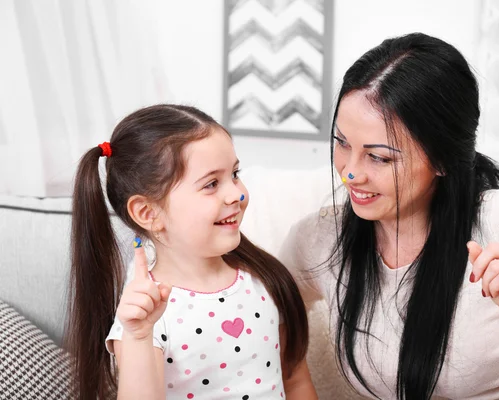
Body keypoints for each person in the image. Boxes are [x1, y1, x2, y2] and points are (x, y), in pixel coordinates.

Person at [279, 33, 499, 399]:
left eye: (379, 157)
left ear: (443, 160)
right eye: (341, 143)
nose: (350, 173)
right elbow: (268, 308)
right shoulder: (323, 239)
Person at [66, 104, 317, 400]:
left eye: (235, 174)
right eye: (211, 184)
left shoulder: (264, 280)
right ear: (148, 213)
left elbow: (296, 382)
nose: (235, 193)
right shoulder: (142, 318)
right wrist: (138, 337)